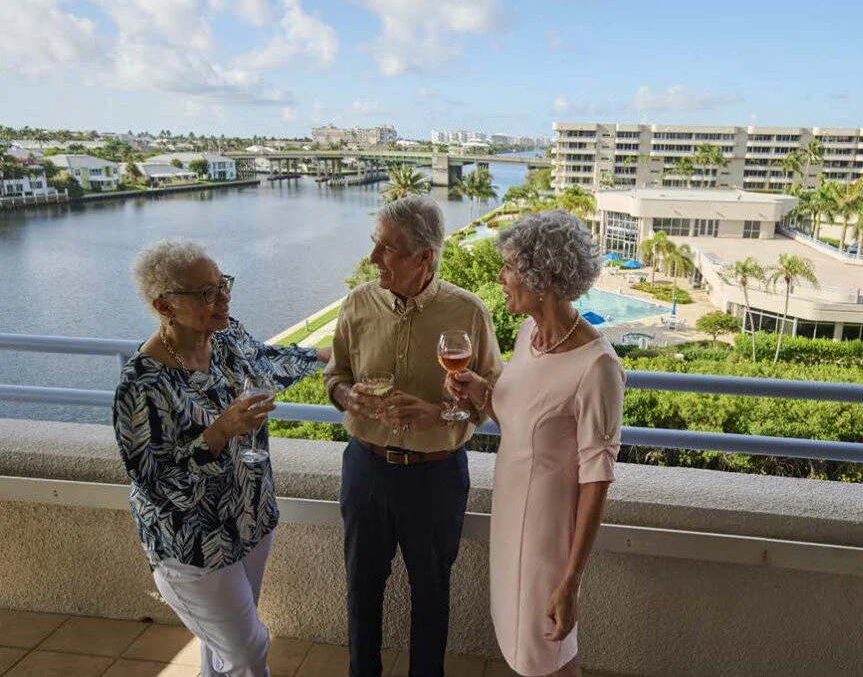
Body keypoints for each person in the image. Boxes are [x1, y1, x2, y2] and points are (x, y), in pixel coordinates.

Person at [112, 239, 330, 677]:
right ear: (164, 305)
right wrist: (218, 432)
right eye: (206, 293)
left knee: (223, 652)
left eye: (222, 284)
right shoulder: (141, 385)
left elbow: (267, 362)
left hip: (250, 523)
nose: (223, 298)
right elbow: (155, 483)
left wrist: (332, 356)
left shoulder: (227, 336)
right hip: (194, 548)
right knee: (248, 651)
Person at [323, 195, 502, 677]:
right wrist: (346, 397)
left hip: (436, 476)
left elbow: (491, 401)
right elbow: (335, 376)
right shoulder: (358, 303)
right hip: (366, 469)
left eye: (387, 249)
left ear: (424, 257)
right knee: (361, 587)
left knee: (431, 592)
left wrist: (441, 413)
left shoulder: (467, 312)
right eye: (374, 245)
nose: (373, 258)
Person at [447, 210, 624, 677]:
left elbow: (597, 480)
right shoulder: (529, 335)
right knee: (521, 642)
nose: (501, 278)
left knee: (545, 653)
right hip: (509, 518)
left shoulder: (597, 366)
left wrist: (571, 580)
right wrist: (479, 393)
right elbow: (519, 419)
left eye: (508, 267)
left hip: (546, 539)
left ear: (541, 277)